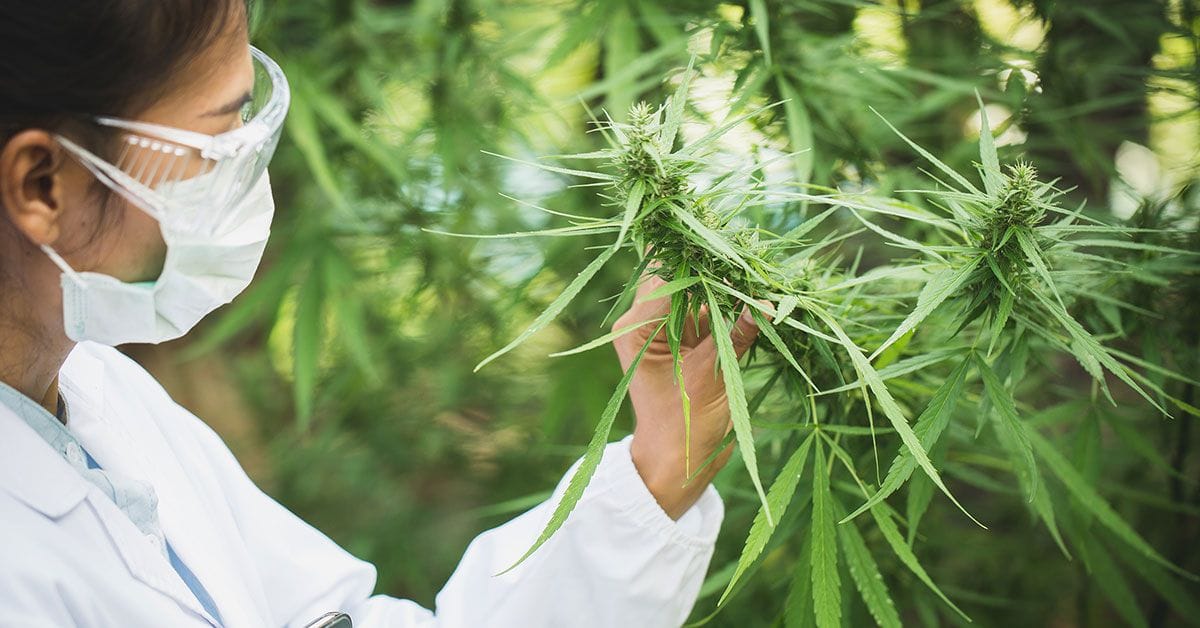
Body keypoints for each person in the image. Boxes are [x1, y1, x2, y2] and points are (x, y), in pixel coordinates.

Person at [0, 2, 759, 627]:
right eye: (217, 140)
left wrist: (663, 459)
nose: (241, 168)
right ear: (43, 185)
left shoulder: (99, 395)